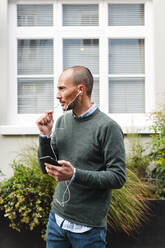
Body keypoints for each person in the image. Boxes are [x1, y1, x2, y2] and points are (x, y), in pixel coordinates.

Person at [36, 65, 126, 248]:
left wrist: (75, 174)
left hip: (88, 230)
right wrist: (45, 136)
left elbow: (118, 178)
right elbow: (45, 169)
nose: (57, 95)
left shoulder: (108, 127)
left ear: (80, 90)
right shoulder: (62, 121)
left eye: (62, 88)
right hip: (57, 221)